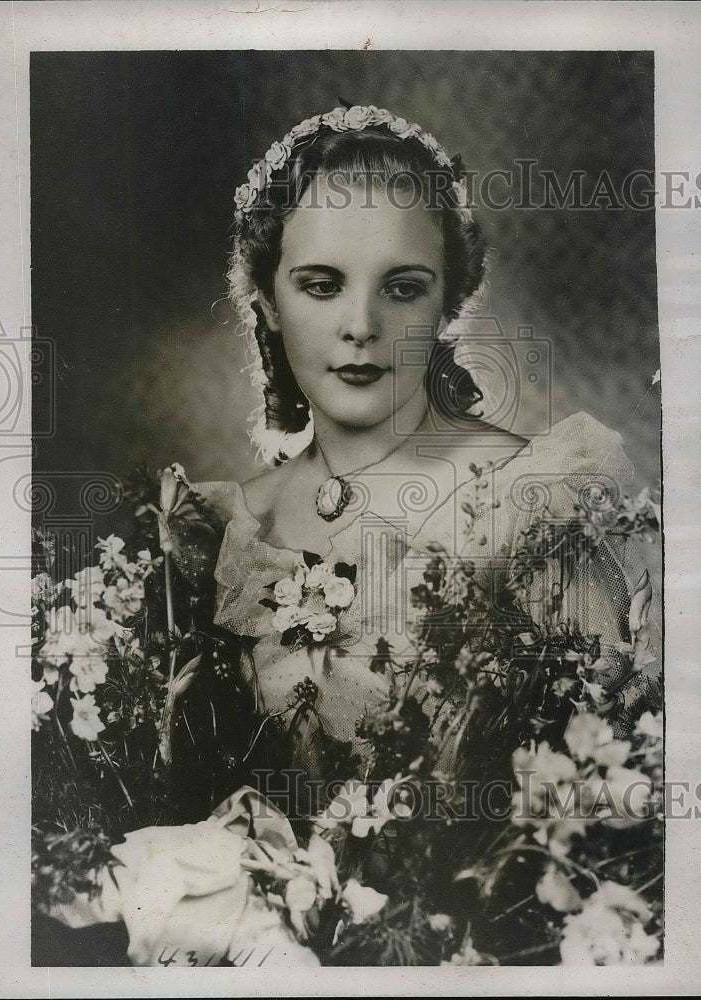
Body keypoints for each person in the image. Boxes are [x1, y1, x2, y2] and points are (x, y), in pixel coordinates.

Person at [167, 103, 661, 815]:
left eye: (401, 288)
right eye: (320, 285)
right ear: (269, 302)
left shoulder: (536, 501)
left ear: (446, 302)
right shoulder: (232, 527)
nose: (361, 326)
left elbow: (621, 793)